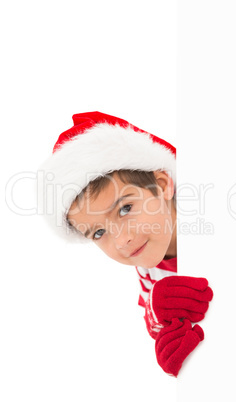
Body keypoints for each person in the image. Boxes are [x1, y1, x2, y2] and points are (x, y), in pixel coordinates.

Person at [38, 111, 213, 377]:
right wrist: (159, 312)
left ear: (163, 184)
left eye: (125, 208)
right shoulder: (146, 260)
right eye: (98, 233)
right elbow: (152, 321)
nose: (122, 240)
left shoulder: (207, 221)